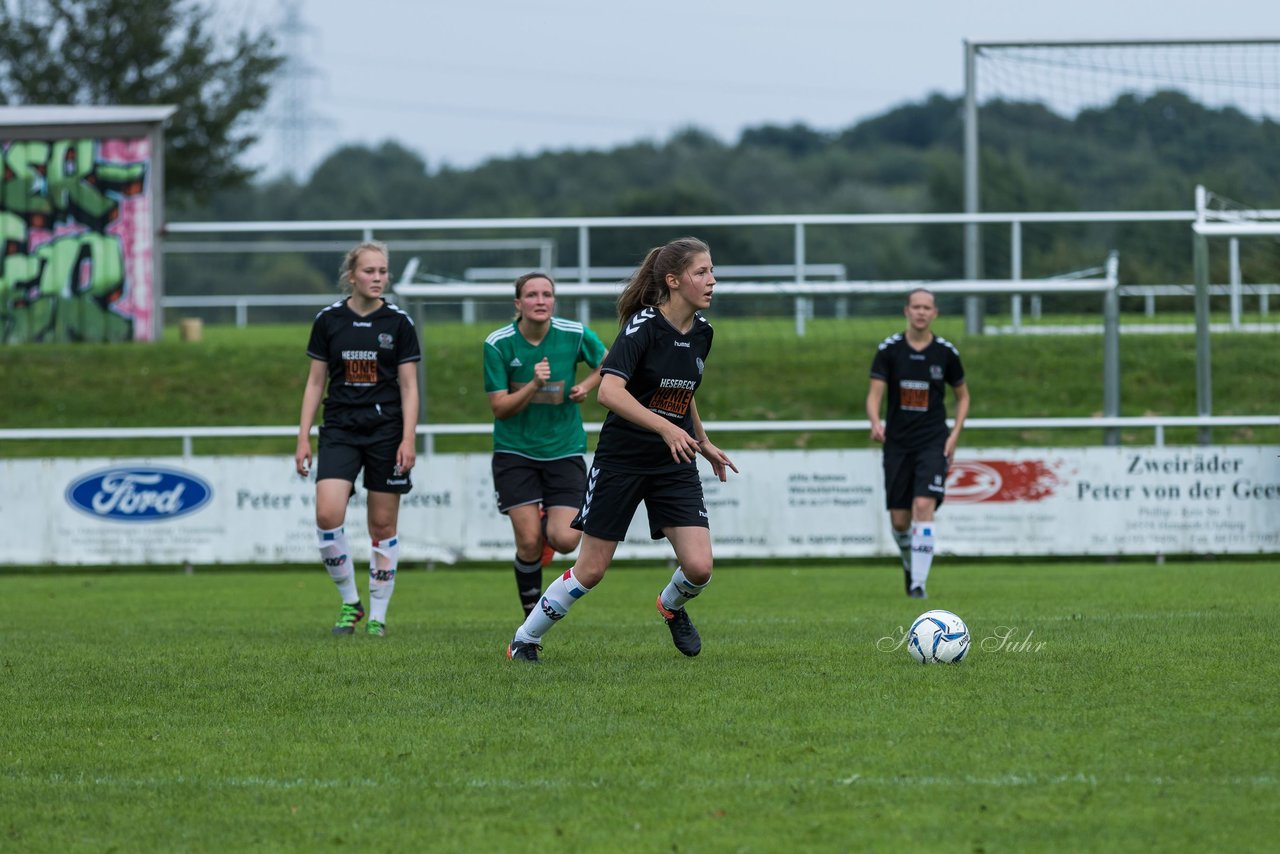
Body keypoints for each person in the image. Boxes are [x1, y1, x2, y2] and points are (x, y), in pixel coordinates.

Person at [505, 236, 738, 664]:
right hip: (623, 459)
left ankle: (671, 606)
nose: (712, 280)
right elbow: (609, 392)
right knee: (591, 570)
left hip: (674, 461)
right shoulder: (642, 327)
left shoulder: (703, 333)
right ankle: (525, 638)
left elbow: (683, 392)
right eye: (701, 272)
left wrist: (702, 442)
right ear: (673, 280)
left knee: (700, 568)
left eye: (712, 271)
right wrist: (666, 429)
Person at [295, 241, 421, 637]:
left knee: (382, 525)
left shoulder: (399, 323)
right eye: (370, 271)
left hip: (386, 433)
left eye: (383, 271)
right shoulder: (328, 320)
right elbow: (316, 382)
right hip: (340, 429)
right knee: (327, 514)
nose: (378, 278)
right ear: (352, 275)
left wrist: (408, 439)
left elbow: (409, 388)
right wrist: (302, 437)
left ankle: (379, 616)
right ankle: (351, 603)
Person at [483, 272, 608, 617]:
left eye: (547, 294)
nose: (541, 301)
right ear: (518, 304)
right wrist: (534, 385)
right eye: (532, 295)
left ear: (554, 301)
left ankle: (543, 523)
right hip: (514, 451)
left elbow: (609, 362)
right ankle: (530, 620)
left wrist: (586, 386)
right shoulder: (498, 343)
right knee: (527, 543)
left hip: (564, 449)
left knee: (566, 541)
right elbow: (500, 408)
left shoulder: (574, 333)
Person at [865, 287, 969, 599]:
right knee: (900, 521)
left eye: (927, 307)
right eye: (916, 307)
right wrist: (875, 421)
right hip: (897, 443)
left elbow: (963, 397)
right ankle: (912, 566)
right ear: (906, 311)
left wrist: (954, 435)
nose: (921, 312)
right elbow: (874, 396)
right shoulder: (889, 350)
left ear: (935, 313)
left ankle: (918, 586)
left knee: (923, 506)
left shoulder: (946, 353)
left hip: (933, 441)